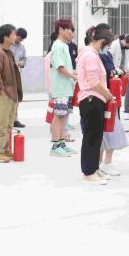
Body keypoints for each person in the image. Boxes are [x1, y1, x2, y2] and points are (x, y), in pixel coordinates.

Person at [76, 26, 118, 185]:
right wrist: (108, 94)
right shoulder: (90, 56)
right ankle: (88, 172)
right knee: (91, 137)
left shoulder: (91, 54)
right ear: (101, 41)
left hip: (95, 99)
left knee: (96, 137)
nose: (107, 48)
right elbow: (94, 82)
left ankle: (94, 168)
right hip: (91, 99)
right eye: (107, 45)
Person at [95, 23, 128, 177]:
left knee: (112, 129)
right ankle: (100, 163)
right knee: (104, 131)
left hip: (110, 95)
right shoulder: (95, 55)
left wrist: (116, 72)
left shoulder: (106, 54)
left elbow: (111, 69)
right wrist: (114, 72)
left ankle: (106, 162)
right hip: (102, 95)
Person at [0, 23, 23, 163]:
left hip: (11, 93)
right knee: (1, 125)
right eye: (13, 34)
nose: (16, 36)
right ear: (6, 37)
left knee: (8, 125)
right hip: (2, 94)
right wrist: (1, 90)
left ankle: (5, 149)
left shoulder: (9, 52)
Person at [48, 19, 79, 157]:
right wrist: (75, 76)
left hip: (67, 87)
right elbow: (60, 68)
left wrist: (74, 73)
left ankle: (61, 143)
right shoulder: (57, 46)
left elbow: (66, 67)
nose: (72, 33)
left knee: (64, 116)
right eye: (69, 30)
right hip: (60, 87)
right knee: (58, 115)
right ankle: (55, 146)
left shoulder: (65, 46)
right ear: (61, 29)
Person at [11, 27, 28, 129]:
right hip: (8, 75)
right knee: (9, 98)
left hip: (17, 75)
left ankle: (15, 120)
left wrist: (21, 63)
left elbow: (25, 60)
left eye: (22, 39)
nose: (20, 40)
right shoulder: (9, 45)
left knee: (17, 98)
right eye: (19, 38)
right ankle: (8, 120)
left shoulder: (22, 47)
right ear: (16, 35)